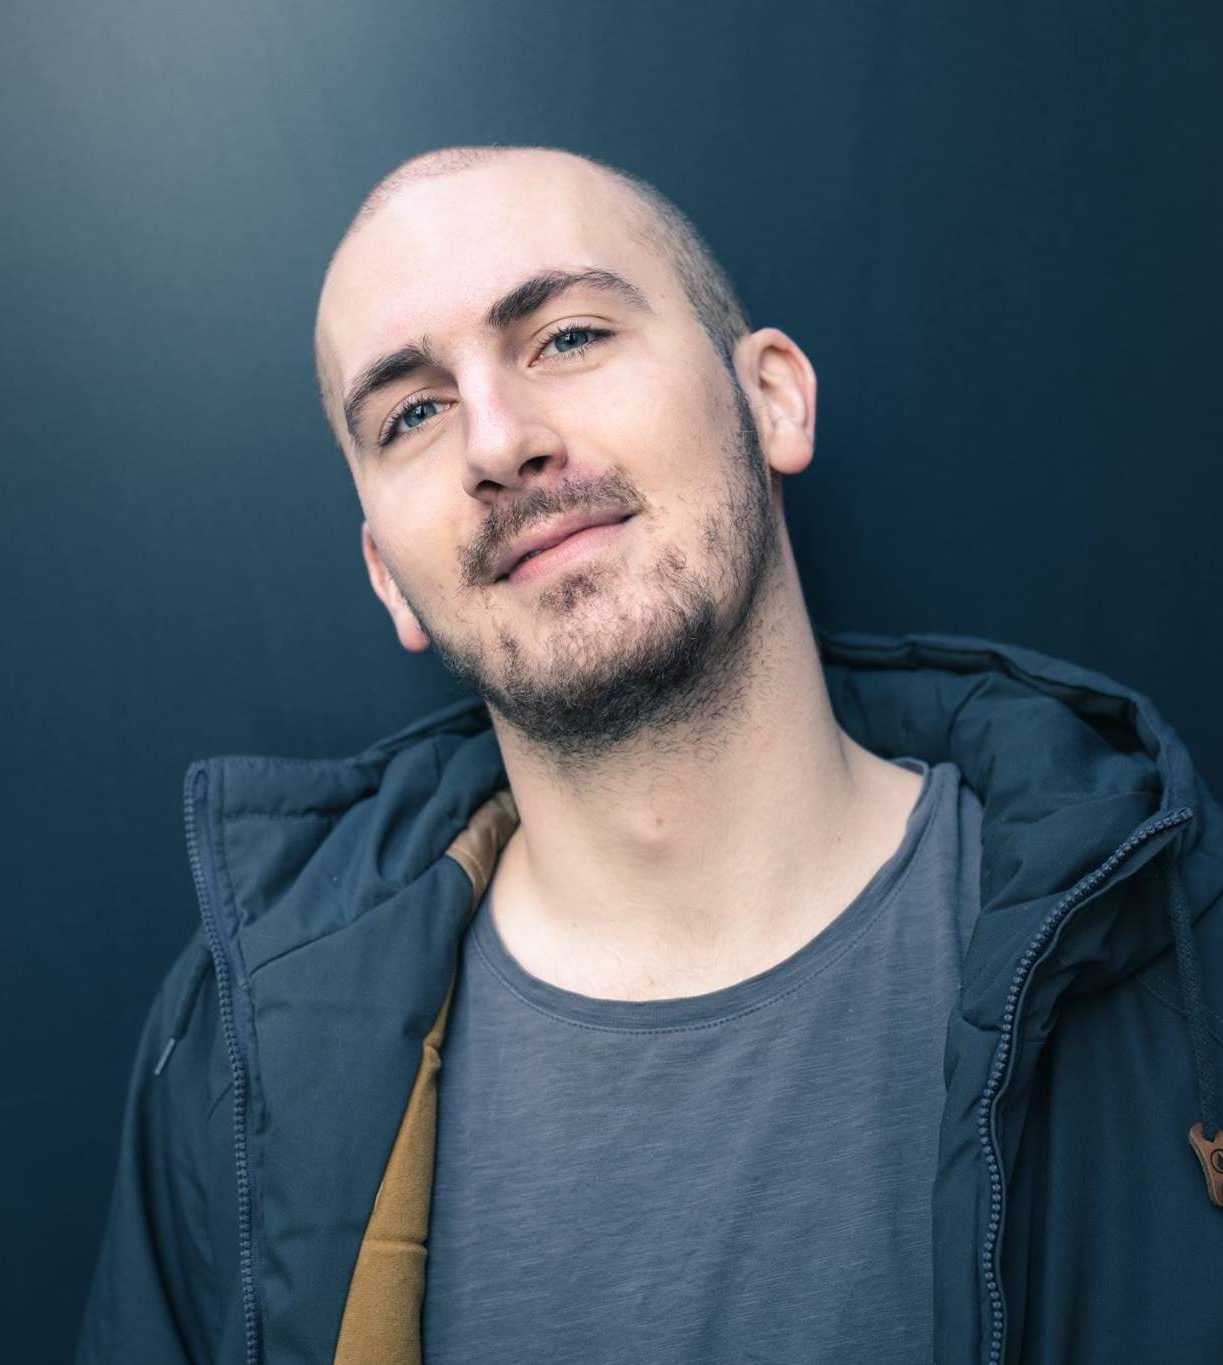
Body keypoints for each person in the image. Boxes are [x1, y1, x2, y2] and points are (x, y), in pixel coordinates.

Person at [75, 145, 1223, 1365]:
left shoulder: (1175, 952)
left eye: (567, 337)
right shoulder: (236, 1061)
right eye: (413, 413)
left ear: (771, 399)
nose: (497, 444)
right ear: (387, 577)